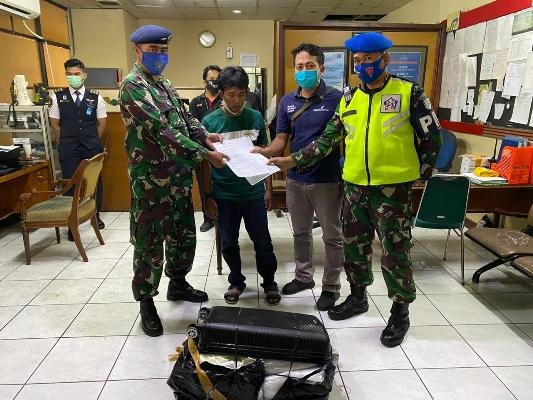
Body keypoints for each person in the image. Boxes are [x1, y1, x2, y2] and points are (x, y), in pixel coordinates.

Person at [268, 32, 441, 347]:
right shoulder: (349, 98)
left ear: (385, 59)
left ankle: (399, 312)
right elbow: (326, 141)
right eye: (358, 61)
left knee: (394, 251)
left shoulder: (409, 92)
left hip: (392, 190)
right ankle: (358, 296)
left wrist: (421, 175)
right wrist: (292, 161)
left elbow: (432, 138)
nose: (363, 66)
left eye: (369, 59)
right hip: (354, 187)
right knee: (354, 247)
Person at [119, 25, 227, 337]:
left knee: (183, 236)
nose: (160, 56)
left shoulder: (163, 82)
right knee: (149, 243)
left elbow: (182, 118)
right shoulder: (133, 86)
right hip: (151, 181)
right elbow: (161, 130)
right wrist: (204, 154)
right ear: (138, 51)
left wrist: (205, 135)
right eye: (153, 50)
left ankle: (178, 284)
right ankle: (146, 303)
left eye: (163, 51)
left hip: (178, 177)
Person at [253, 43, 344, 311]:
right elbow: (281, 139)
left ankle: (331, 287)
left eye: (310, 66)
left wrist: (289, 160)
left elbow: (331, 140)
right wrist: (266, 151)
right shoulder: (287, 101)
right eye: (299, 67)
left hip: (326, 180)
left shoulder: (337, 99)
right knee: (301, 233)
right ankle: (304, 277)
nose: (304, 71)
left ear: (321, 68)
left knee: (332, 236)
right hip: (295, 180)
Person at [202, 66, 280, 306]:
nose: (236, 100)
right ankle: (236, 281)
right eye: (231, 95)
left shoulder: (255, 117)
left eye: (241, 95)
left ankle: (269, 282)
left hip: (253, 192)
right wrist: (207, 197)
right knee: (229, 242)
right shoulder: (209, 122)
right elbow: (204, 163)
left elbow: (266, 155)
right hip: (224, 194)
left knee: (263, 242)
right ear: (221, 93)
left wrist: (268, 189)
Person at [49, 58, 107, 239]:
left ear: (84, 75)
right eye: (69, 74)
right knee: (70, 183)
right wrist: (66, 141)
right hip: (69, 148)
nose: (73, 77)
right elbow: (55, 124)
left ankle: (95, 214)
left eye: (76, 74)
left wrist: (92, 140)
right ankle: (71, 223)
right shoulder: (58, 98)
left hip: (91, 147)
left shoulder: (95, 97)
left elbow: (102, 124)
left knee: (94, 181)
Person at [189, 65, 223, 233]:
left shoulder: (224, 100)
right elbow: (192, 127)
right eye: (211, 79)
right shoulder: (196, 102)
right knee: (204, 185)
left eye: (218, 79)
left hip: (221, 149)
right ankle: (208, 218)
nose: (215, 82)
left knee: (220, 184)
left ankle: (221, 217)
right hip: (201, 151)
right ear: (204, 82)